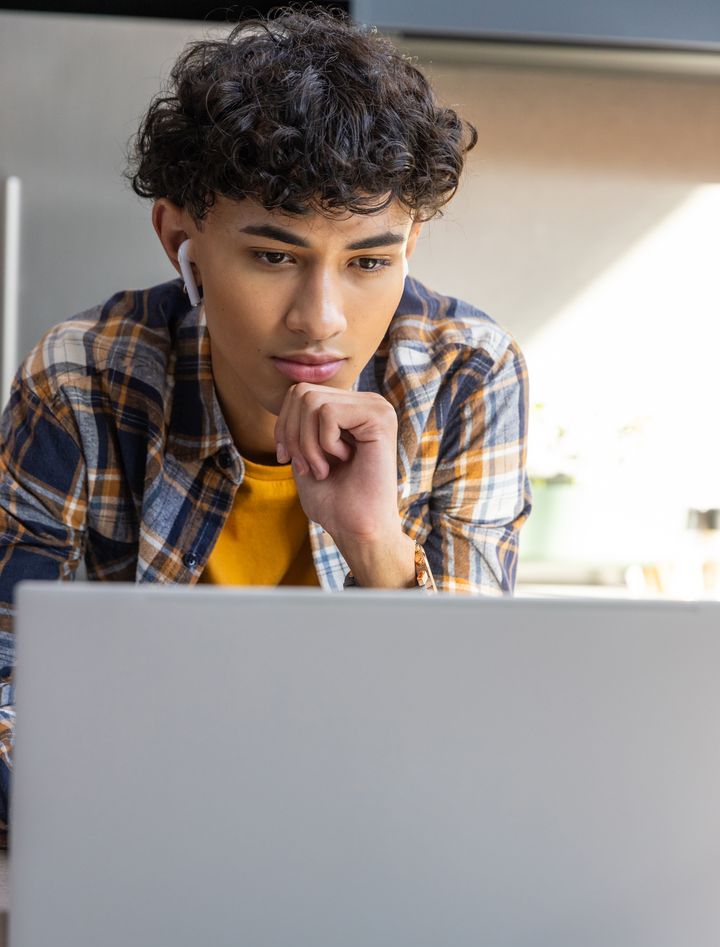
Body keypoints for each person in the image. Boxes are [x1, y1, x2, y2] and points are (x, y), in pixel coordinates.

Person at [0, 6, 531, 841]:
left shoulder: (467, 373)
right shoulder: (84, 380)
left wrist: (377, 544)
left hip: (369, 847)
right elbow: (8, 690)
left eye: (368, 262)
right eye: (274, 256)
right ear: (182, 239)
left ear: (411, 247)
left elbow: (473, 736)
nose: (320, 320)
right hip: (136, 844)